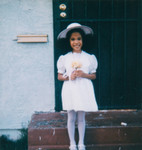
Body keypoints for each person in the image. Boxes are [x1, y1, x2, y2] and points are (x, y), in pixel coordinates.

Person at [57, 23, 98, 150]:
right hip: (70, 88)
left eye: (79, 39)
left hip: (83, 88)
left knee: (81, 117)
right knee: (71, 116)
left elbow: (93, 76)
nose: (76, 42)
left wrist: (84, 74)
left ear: (82, 40)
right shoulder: (65, 58)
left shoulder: (88, 58)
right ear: (69, 41)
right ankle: (72, 143)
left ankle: (81, 142)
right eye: (73, 39)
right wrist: (69, 77)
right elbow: (59, 76)